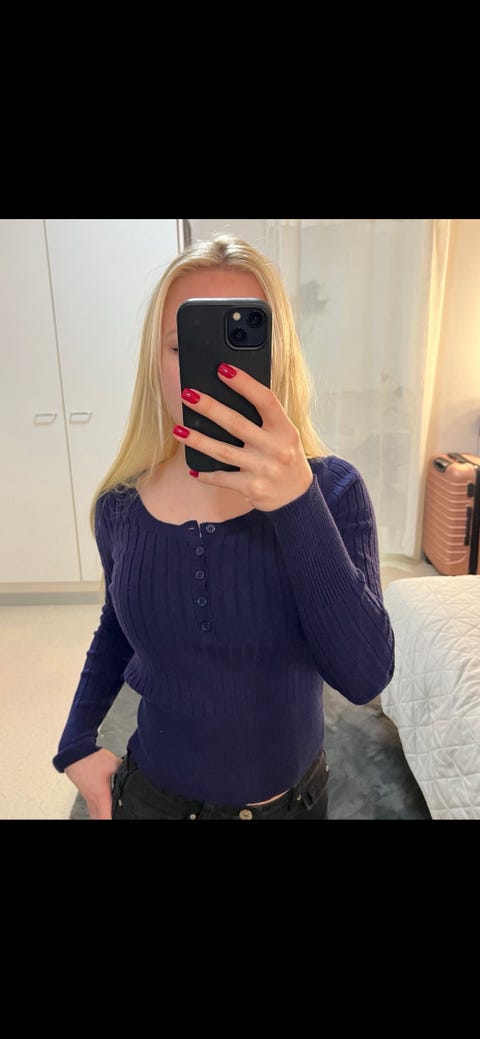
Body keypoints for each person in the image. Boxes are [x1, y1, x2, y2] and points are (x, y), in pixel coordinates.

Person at [52, 234, 395, 821]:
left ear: (278, 359)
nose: (214, 371)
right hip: (154, 800)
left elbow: (364, 676)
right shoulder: (120, 505)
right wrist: (76, 740)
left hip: (294, 805)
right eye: (181, 345)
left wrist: (297, 502)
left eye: (244, 344)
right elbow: (116, 625)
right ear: (155, 363)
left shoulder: (333, 492)